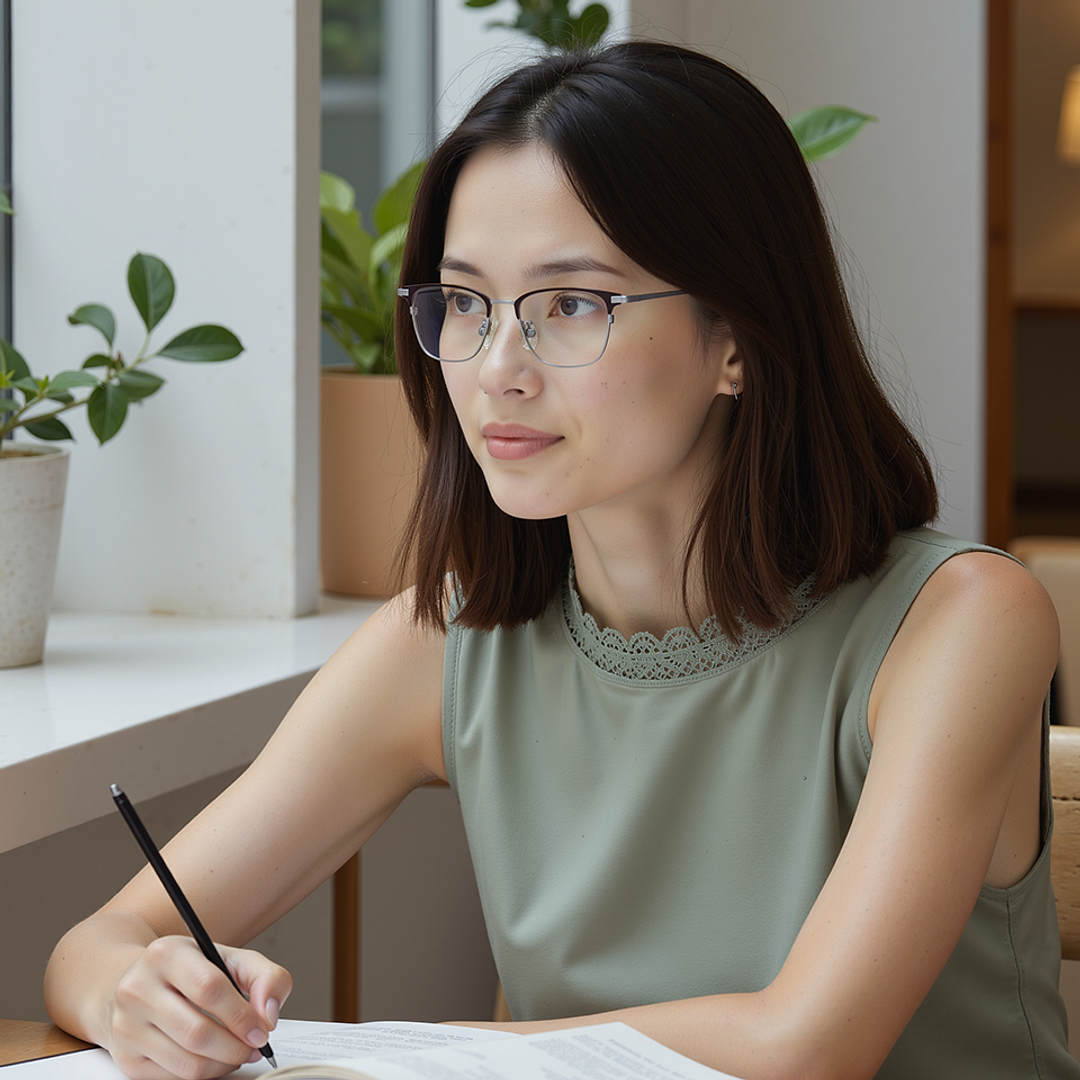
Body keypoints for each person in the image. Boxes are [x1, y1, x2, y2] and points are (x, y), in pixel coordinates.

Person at [44, 40, 1076, 1080]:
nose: (497, 370)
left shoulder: (964, 624)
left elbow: (805, 1048)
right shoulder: (447, 641)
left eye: (572, 304)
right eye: (465, 303)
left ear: (737, 337)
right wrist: (140, 1000)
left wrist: (379, 1055)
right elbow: (96, 945)